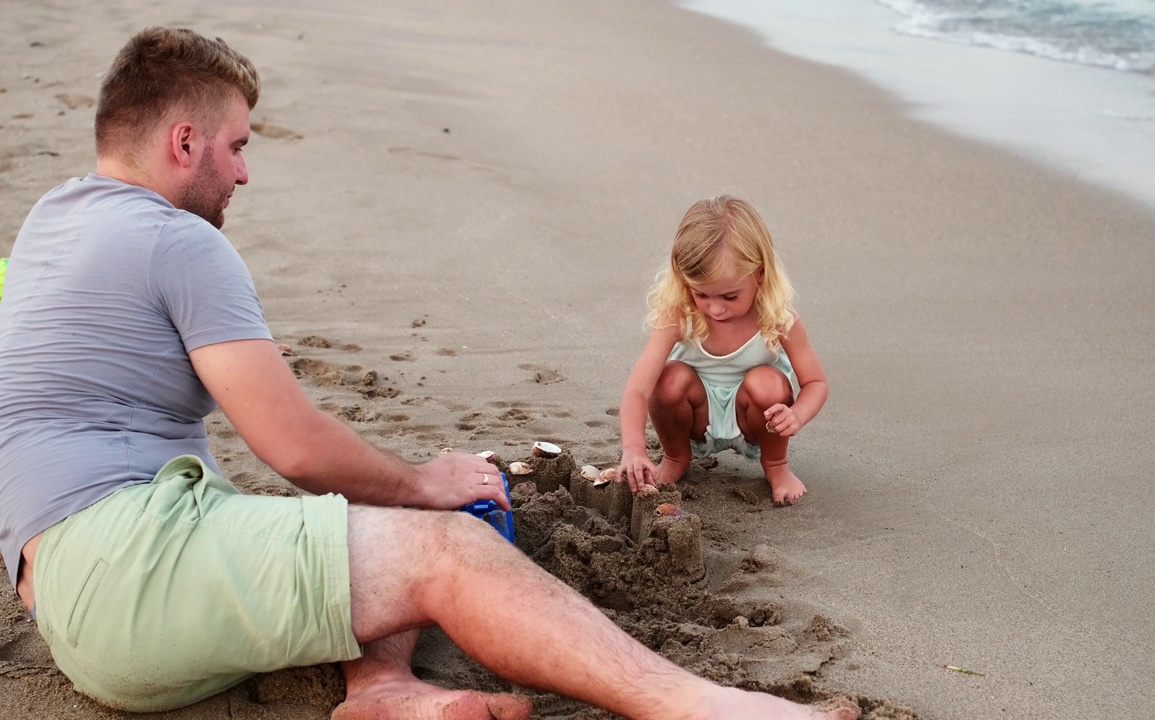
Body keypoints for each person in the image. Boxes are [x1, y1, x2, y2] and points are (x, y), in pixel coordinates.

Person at [0, 26, 859, 720]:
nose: (243, 170)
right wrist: (421, 482)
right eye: (233, 146)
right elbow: (291, 444)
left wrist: (396, 487)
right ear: (182, 140)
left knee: (361, 508)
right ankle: (707, 708)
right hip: (131, 569)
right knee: (445, 539)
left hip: (73, 593)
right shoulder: (179, 240)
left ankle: (383, 690)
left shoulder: (52, 221)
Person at [616, 195, 828, 505]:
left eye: (729, 296)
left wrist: (797, 415)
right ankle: (676, 457)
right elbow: (637, 389)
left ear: (759, 273)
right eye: (701, 294)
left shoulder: (780, 319)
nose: (715, 309)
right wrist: (634, 448)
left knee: (768, 382)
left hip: (755, 418)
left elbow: (816, 384)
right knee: (667, 379)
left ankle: (776, 465)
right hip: (695, 416)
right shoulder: (678, 315)